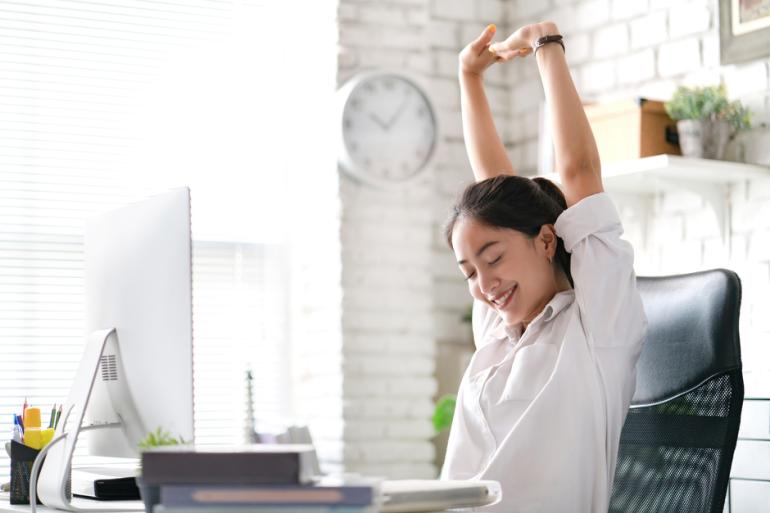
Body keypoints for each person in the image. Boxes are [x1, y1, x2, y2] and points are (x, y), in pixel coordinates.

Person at [440, 21, 648, 513]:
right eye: (469, 272)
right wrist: (468, 76)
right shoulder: (498, 332)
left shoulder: (597, 327)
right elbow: (496, 193)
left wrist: (547, 46)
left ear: (547, 240)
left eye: (492, 260)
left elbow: (578, 172)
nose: (484, 285)